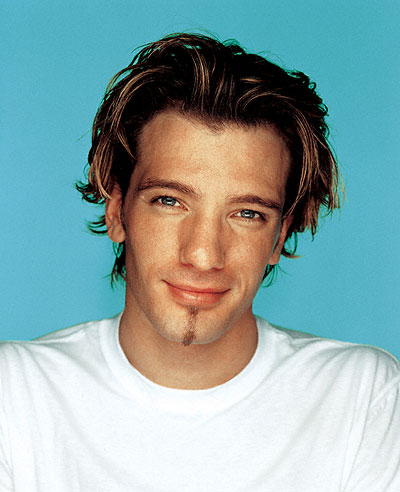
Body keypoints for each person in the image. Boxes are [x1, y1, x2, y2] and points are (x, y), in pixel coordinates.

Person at [1, 33, 399, 491]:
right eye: (169, 201)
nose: (204, 255)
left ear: (279, 236)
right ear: (116, 211)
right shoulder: (14, 393)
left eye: (247, 213)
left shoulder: (362, 397)